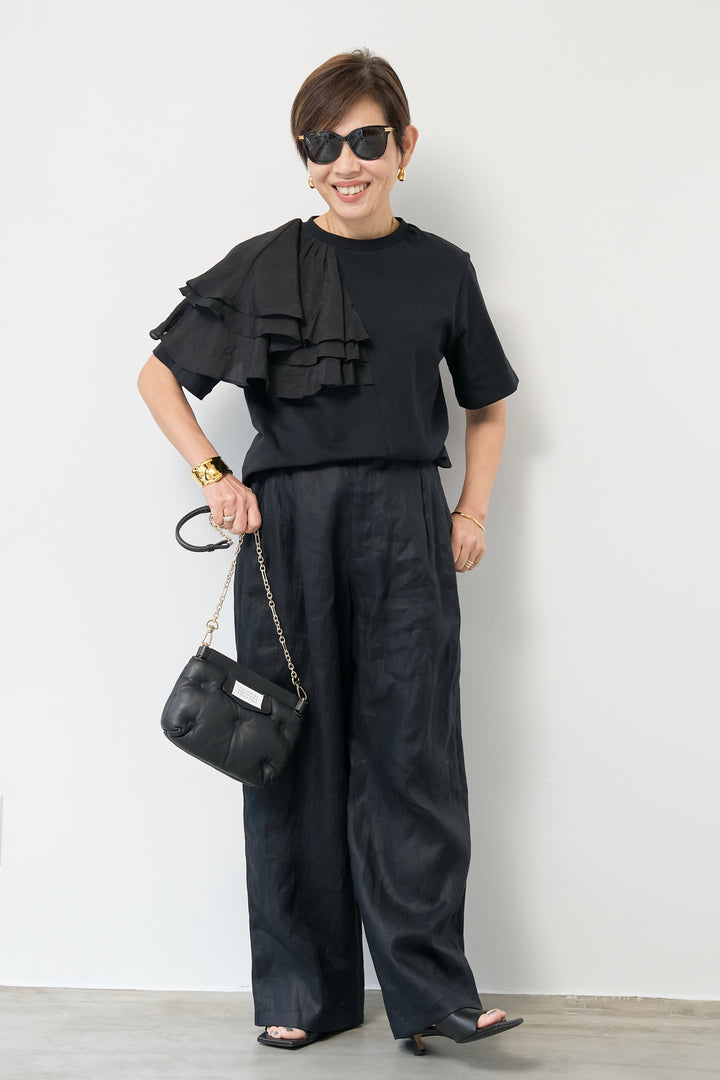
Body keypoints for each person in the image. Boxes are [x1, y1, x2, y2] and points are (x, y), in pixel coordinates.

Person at [137, 47, 523, 1055]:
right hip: (288, 528)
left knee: (413, 753)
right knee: (288, 750)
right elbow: (158, 377)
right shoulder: (267, 261)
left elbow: (487, 406)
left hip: (406, 519)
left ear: (403, 146)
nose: (345, 162)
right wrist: (215, 477)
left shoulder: (443, 270)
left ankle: (431, 996)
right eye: (321, 144)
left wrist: (472, 512)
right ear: (304, 157)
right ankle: (303, 994)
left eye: (364, 139)